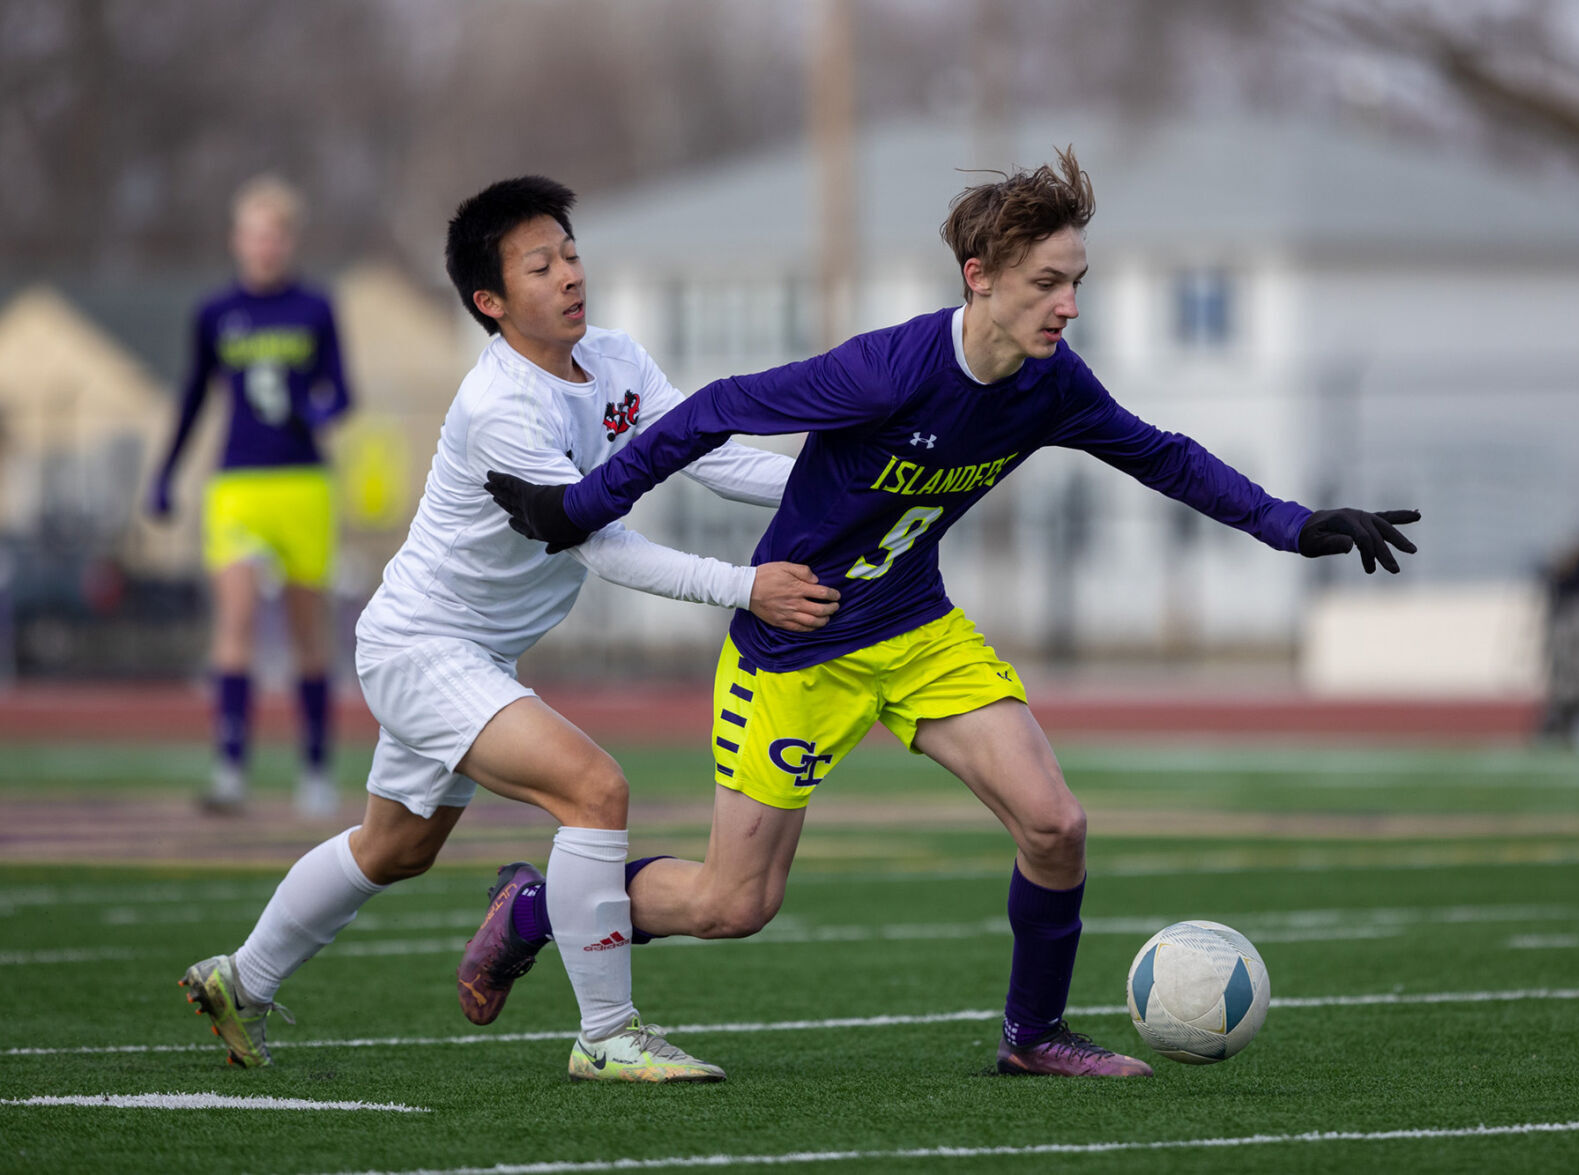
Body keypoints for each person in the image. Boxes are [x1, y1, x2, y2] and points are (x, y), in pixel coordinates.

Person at [486, 149, 1419, 1078]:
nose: (1068, 305)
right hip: (797, 649)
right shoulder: (888, 373)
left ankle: (1034, 1035)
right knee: (735, 905)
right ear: (979, 279)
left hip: (917, 628)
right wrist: (577, 509)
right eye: (1046, 283)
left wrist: (1295, 526)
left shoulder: (1050, 383)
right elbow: (715, 411)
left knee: (1055, 825)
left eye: (1076, 282)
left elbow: (1160, 455)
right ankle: (539, 907)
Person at [178, 176, 839, 1084]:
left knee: (395, 849)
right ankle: (606, 1034)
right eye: (541, 264)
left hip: (467, 652)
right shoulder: (500, 406)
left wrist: (853, 486)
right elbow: (599, 545)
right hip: (423, 646)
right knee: (595, 791)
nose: (569, 274)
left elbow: (711, 454)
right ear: (490, 301)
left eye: (569, 253)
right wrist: (743, 585)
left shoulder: (612, 357)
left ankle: (237, 979)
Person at [149, 175, 354, 817]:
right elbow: (191, 396)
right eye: (254, 234)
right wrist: (165, 472)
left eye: (275, 234)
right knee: (234, 619)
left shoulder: (315, 309)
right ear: (238, 240)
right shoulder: (215, 313)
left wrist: (310, 411)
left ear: (289, 241)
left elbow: (341, 395)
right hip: (236, 483)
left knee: (304, 631)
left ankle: (316, 770)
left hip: (302, 484)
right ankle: (230, 768)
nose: (264, 246)